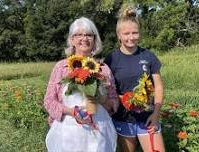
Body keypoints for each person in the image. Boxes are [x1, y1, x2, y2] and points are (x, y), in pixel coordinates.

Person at [44, 17, 119, 152]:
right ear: (72, 40)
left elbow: (114, 104)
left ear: (94, 40)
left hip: (99, 131)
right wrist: (72, 111)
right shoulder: (61, 67)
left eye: (89, 35)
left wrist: (102, 99)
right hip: (68, 132)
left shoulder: (103, 69)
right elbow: (49, 101)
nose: (84, 38)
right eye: (79, 34)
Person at [104, 4, 165, 152]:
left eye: (135, 33)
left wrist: (156, 115)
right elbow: (107, 89)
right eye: (126, 34)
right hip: (123, 118)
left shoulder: (148, 56)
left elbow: (158, 87)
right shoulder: (111, 59)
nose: (131, 37)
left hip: (148, 116)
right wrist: (124, 99)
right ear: (119, 35)